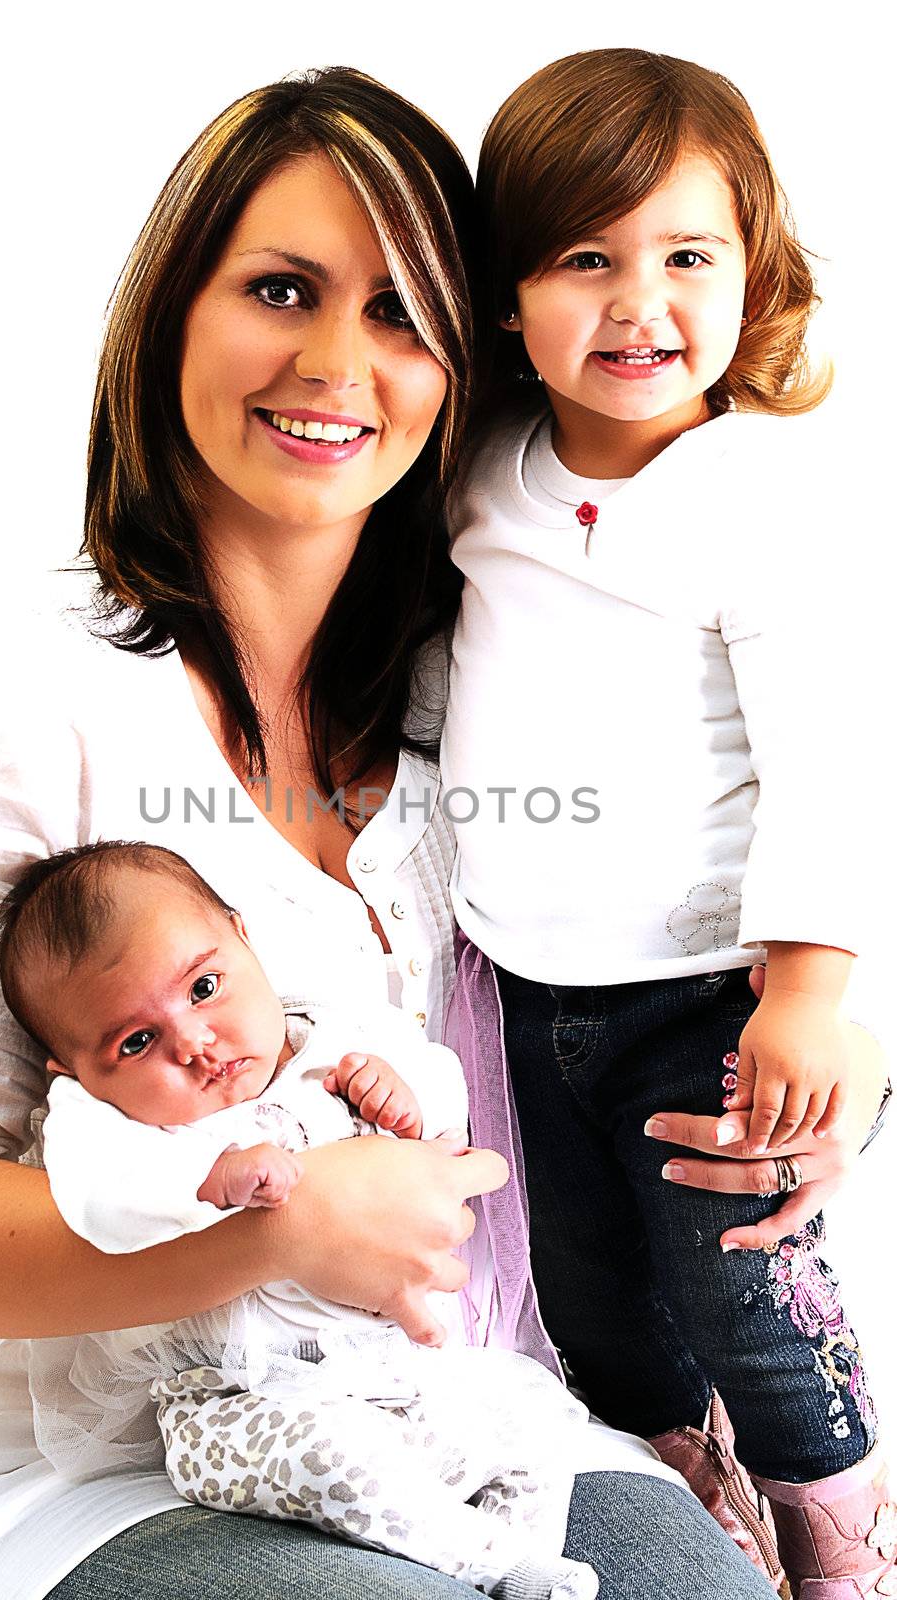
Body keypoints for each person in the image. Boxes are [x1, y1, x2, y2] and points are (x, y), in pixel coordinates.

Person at [0, 65, 882, 1600]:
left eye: (400, 314)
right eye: (280, 290)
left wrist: (812, 1092)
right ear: (170, 320)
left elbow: (714, 887)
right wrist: (273, 1234)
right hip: (117, 1470)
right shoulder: (32, 719)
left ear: (468, 365)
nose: (337, 361)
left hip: (459, 1412)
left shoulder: (462, 700)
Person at [442, 47, 894, 1598]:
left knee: (744, 1286)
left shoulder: (755, 487)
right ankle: (685, 1505)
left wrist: (812, 990)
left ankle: (835, 1531)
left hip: (709, 984)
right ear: (503, 294)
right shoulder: (483, 471)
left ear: (750, 276)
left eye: (684, 257)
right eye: (583, 259)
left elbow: (836, 747)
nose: (638, 306)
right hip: (525, 988)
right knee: (589, 1301)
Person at [0, 837, 603, 1600]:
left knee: (535, 1413)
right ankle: (493, 1567)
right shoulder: (110, 1124)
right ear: (74, 1073)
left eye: (205, 986)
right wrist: (201, 1182)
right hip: (245, 1412)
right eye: (137, 1041)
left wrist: (400, 1095)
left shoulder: (333, 1040)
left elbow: (444, 1106)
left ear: (244, 936)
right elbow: (95, 1205)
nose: (194, 1043)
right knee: (333, 1456)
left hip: (406, 1388)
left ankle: (519, 1556)